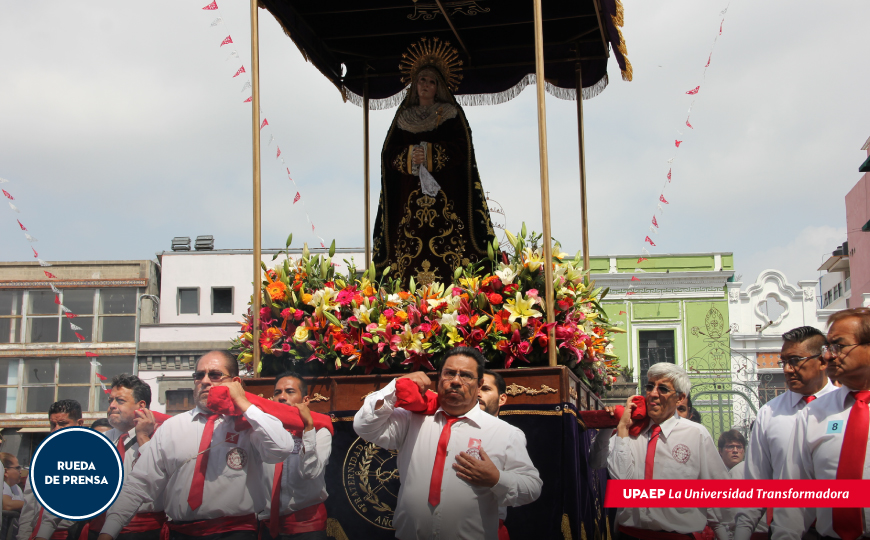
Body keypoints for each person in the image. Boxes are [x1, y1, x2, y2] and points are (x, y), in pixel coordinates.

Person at [94, 351, 295, 540]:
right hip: (181, 532)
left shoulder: (249, 424)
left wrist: (243, 403)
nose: (205, 381)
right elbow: (140, 483)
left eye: (215, 375)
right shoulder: (172, 427)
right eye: (199, 375)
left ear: (235, 382)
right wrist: (108, 533)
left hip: (235, 532)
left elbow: (281, 448)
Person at [354, 346, 542, 539]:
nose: (455, 381)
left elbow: (532, 487)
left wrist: (496, 479)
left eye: (466, 376)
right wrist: (396, 387)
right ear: (438, 378)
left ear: (479, 385)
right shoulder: (411, 419)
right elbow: (364, 426)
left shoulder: (505, 433)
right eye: (449, 373)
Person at [372, 37, 497, 286]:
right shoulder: (402, 118)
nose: (426, 85)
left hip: (446, 200)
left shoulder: (451, 115)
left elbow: (463, 149)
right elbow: (388, 154)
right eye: (422, 80)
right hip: (409, 204)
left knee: (449, 249)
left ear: (438, 86)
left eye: (431, 81)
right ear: (415, 84)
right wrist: (409, 157)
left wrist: (431, 154)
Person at [590, 362, 731, 540]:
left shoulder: (696, 434)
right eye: (650, 387)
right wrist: (616, 427)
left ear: (680, 398)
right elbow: (603, 468)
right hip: (630, 535)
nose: (653, 394)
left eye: (662, 389)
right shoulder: (631, 431)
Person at [772, 309, 870, 540]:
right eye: (828, 348)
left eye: (839, 346)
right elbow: (793, 496)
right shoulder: (815, 413)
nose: (828, 356)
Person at [733, 326, 835, 540]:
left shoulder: (850, 408)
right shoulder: (769, 413)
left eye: (796, 360)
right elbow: (756, 484)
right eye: (784, 362)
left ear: (822, 361)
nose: (787, 369)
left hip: (840, 530)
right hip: (784, 532)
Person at [36, 375, 165, 540]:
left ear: (141, 406)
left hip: (145, 533)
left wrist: (143, 438)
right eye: (110, 400)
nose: (111, 406)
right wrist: (42, 535)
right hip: (98, 530)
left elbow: (156, 479)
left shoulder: (161, 436)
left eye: (120, 401)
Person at [259, 371, 331, 540]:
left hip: (307, 526)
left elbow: (310, 472)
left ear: (305, 400)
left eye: (290, 392)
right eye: (277, 393)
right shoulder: (262, 431)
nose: (282, 397)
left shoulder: (320, 431)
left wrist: (308, 429)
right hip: (267, 525)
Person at [18, 399, 83, 540]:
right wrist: (23, 536)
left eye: (63, 424)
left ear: (80, 423)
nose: (56, 429)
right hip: (38, 533)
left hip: (72, 534)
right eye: (53, 424)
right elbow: (29, 506)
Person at [478, 369, 510, 540]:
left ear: (502, 398)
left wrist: (496, 478)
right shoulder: (446, 427)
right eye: (475, 387)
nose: (477, 393)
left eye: (485, 389)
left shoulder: (510, 436)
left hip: (488, 529)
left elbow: (529, 488)